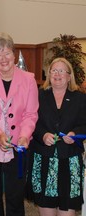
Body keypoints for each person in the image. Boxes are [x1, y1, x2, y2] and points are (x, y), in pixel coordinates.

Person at [0, 32, 39, 216]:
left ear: (14, 54)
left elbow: (30, 113)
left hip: (19, 143)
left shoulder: (28, 79)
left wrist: (25, 135)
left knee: (15, 196)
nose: (3, 58)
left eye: (7, 52)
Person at [27, 58, 86, 216]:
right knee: (46, 209)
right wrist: (43, 135)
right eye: (54, 70)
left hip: (69, 161)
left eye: (62, 71)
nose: (57, 74)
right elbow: (30, 121)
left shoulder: (80, 98)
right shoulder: (38, 95)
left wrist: (75, 134)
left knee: (67, 211)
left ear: (69, 76)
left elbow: (84, 124)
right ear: (49, 74)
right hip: (43, 161)